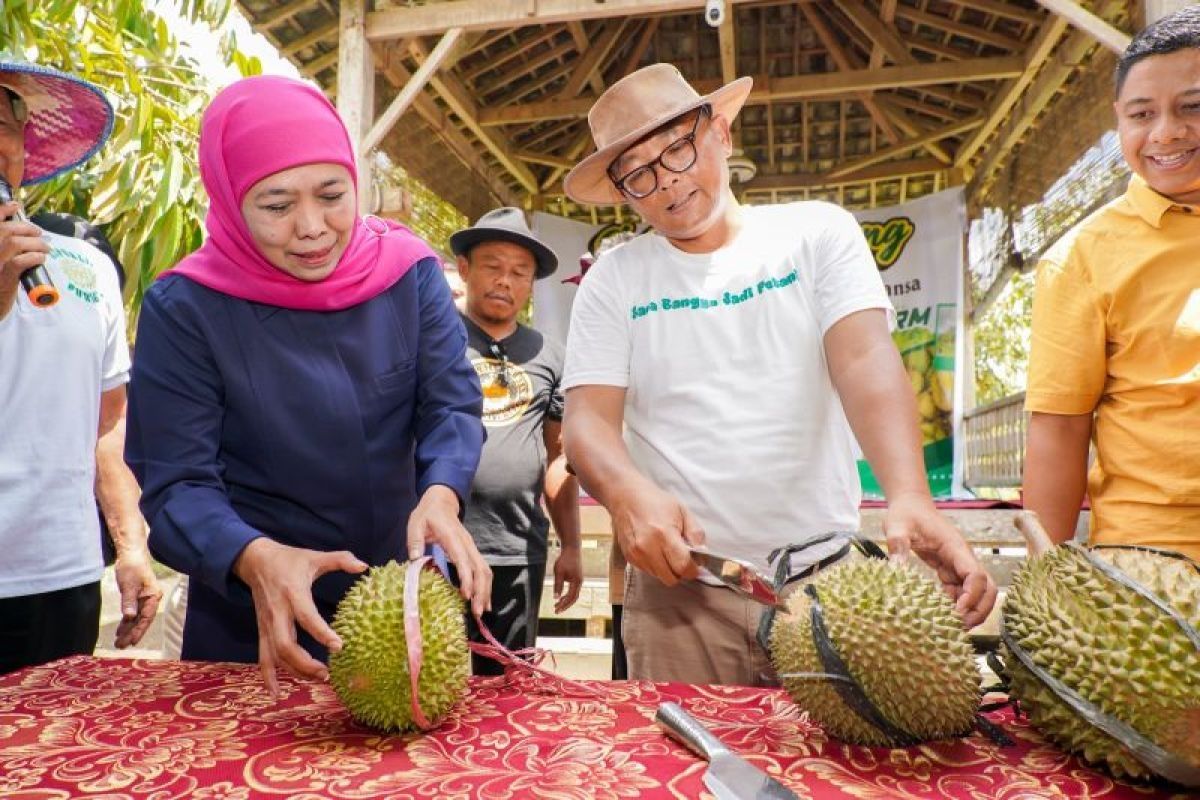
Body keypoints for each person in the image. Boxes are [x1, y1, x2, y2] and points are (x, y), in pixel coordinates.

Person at [559, 63, 996, 686]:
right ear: (623, 192)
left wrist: (909, 495)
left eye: (679, 149)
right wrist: (629, 493)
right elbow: (587, 425)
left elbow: (865, 360)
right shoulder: (615, 279)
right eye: (638, 173)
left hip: (827, 589)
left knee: (840, 777)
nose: (667, 183)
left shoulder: (816, 234)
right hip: (684, 593)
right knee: (679, 777)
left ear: (722, 136)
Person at [125, 75, 492, 697]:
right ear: (229, 198)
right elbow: (177, 482)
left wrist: (441, 493)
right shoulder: (185, 308)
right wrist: (253, 557)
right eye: (276, 205)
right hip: (249, 611)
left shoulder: (408, 274)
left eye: (332, 194)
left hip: (400, 606)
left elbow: (450, 404)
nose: (313, 227)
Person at [0, 58, 160, 674]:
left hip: (60, 578)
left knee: (48, 760)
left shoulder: (85, 269)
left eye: (3, 124)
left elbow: (105, 427)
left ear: (22, 148)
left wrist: (130, 544)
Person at [1023, 5, 1200, 561]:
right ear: (1118, 119)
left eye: (1193, 106)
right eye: (1142, 114)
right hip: (1155, 567)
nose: (1167, 132)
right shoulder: (1082, 257)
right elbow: (1060, 428)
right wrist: (1046, 577)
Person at [449, 207, 582, 674]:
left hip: (516, 547)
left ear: (530, 285)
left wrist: (572, 545)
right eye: (492, 266)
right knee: (426, 681)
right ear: (464, 268)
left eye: (519, 272)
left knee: (506, 687)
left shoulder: (549, 355)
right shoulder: (433, 340)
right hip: (438, 548)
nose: (505, 281)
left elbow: (558, 458)